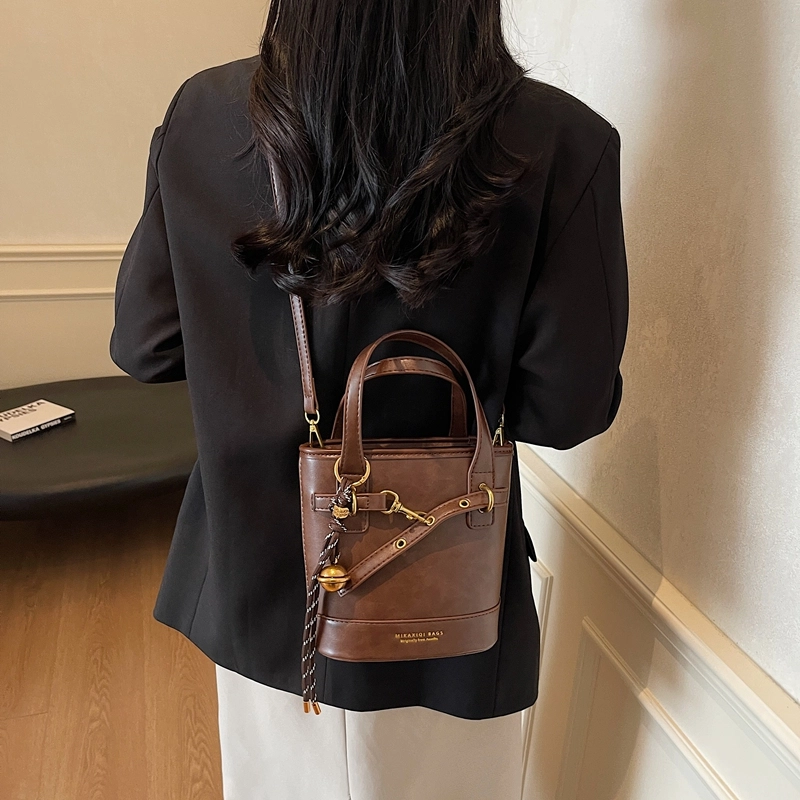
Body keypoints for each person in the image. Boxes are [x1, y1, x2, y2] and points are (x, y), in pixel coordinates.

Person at [109, 1, 629, 797]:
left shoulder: (205, 114)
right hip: (448, 589)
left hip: (261, 586)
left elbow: (147, 346)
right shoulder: (562, 140)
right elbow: (567, 411)